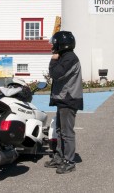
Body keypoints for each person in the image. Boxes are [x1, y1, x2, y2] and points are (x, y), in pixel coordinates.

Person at [45, 31, 83, 174]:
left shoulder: (69, 58)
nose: (52, 47)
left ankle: (69, 162)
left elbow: (55, 74)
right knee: (60, 131)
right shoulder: (65, 57)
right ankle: (60, 157)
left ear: (61, 44)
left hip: (69, 99)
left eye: (54, 44)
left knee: (67, 132)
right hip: (63, 99)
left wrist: (53, 60)